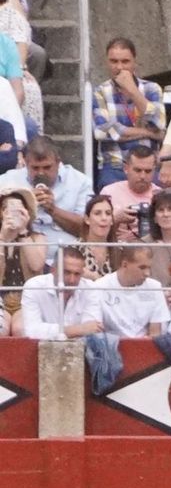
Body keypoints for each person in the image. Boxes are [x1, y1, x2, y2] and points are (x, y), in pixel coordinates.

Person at [92, 39, 166, 190]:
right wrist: (149, 133)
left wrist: (133, 91)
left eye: (125, 61)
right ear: (107, 62)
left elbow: (159, 123)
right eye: (114, 61)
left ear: (134, 62)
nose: (119, 67)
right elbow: (102, 131)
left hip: (148, 165)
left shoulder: (152, 88)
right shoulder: (100, 91)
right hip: (115, 165)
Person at [0, 136, 92, 247]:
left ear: (58, 162)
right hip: (20, 256)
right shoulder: (7, 181)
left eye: (47, 167)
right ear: (25, 162)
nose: (41, 173)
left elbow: (89, 230)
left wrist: (53, 210)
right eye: (35, 168)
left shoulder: (80, 182)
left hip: (66, 257)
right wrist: (26, 205)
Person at [82, 244, 170, 337]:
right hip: (110, 347)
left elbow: (155, 333)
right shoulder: (100, 287)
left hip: (144, 346)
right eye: (142, 268)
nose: (147, 273)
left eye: (149, 268)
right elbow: (94, 329)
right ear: (125, 264)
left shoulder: (154, 287)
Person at [17, 246, 96, 341]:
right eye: (66, 272)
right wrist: (76, 330)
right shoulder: (34, 286)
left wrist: (50, 332)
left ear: (82, 273)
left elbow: (92, 331)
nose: (72, 280)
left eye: (77, 274)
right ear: (53, 270)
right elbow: (31, 331)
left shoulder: (91, 288)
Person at [0, 185, 45, 324]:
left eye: (19, 208)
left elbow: (36, 265)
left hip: (27, 300)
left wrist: (23, 232)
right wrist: (2, 238)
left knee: (22, 328)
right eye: (7, 208)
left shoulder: (38, 238)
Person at [76, 195, 117, 281]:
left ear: (112, 220)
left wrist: (95, 278)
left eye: (108, 213)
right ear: (87, 219)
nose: (104, 218)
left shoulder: (122, 250)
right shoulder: (74, 249)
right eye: (97, 213)